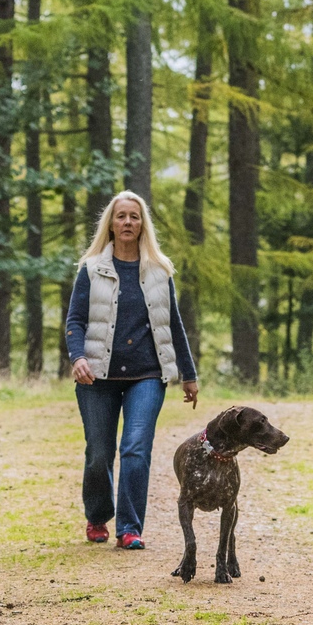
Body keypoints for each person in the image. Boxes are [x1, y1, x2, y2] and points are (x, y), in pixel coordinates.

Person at [64, 190, 200, 549]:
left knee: (136, 449)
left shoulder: (159, 271)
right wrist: (78, 358)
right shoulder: (91, 269)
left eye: (134, 216)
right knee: (99, 453)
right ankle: (97, 516)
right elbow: (75, 320)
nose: (127, 222)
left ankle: (129, 528)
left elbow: (173, 324)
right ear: (111, 224)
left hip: (147, 375)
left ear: (143, 225)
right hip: (97, 376)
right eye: (121, 216)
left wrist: (188, 374)